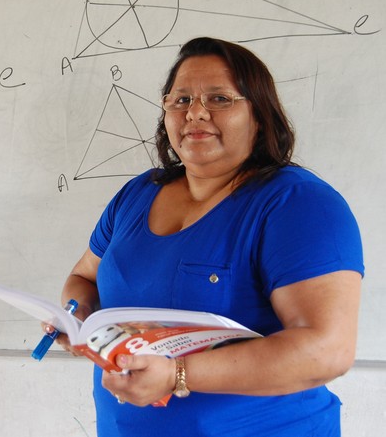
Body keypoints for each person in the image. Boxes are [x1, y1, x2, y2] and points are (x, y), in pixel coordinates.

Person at [54, 37, 364, 436]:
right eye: (180, 100)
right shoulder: (137, 194)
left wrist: (176, 375)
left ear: (259, 115)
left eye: (219, 99)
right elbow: (84, 278)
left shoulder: (299, 205)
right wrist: (77, 319)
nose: (195, 113)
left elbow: (327, 351)